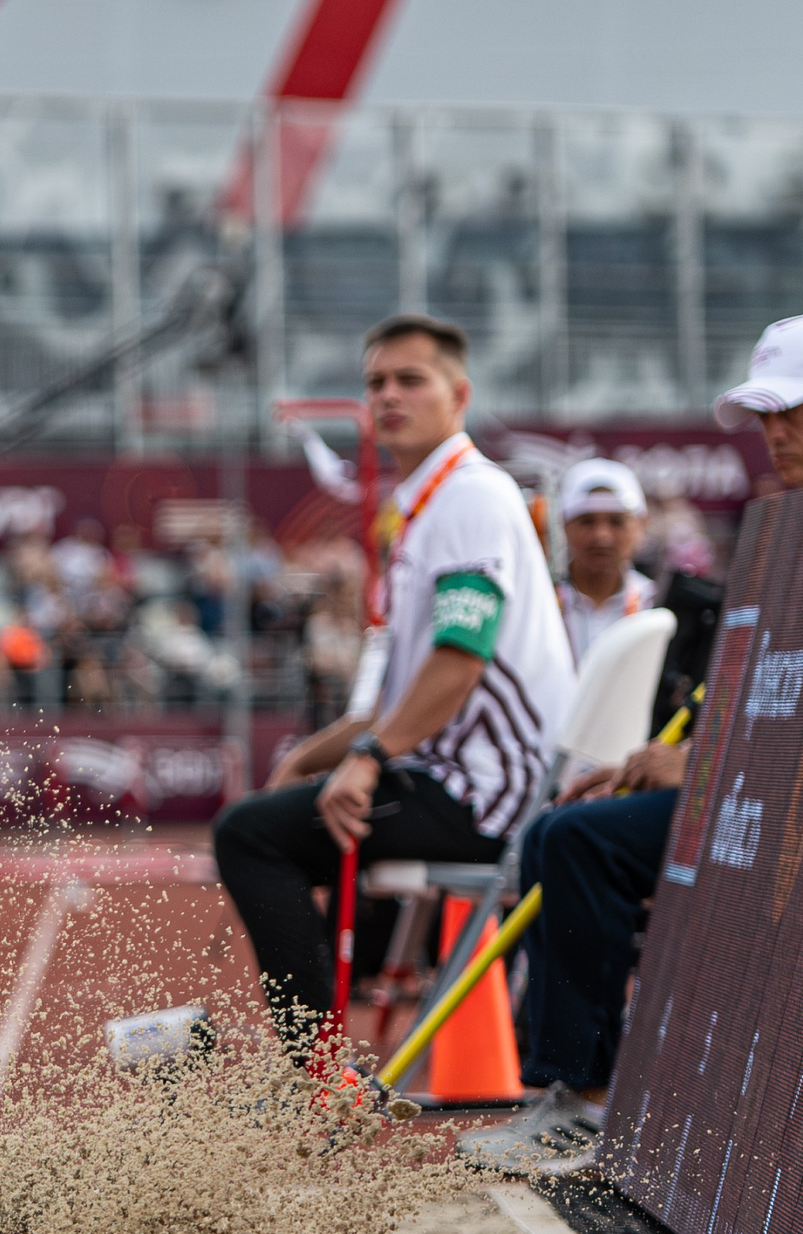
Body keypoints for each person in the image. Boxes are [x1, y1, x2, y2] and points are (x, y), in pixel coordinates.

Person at [461, 312, 803, 1173]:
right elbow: (798, 689)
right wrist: (695, 756)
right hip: (782, 789)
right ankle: (574, 1089)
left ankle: (587, 1097)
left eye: (794, 413)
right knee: (560, 829)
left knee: (580, 841)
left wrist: (702, 762)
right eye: (765, 417)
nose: (773, 435)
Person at [213, 314, 576, 1057]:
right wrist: (314, 756)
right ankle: (322, 1057)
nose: (388, 396)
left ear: (459, 395)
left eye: (411, 379)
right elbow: (401, 698)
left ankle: (315, 1076)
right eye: (376, 382)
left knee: (250, 838)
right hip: (449, 772)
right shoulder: (425, 505)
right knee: (280, 821)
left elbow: (459, 660)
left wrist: (370, 756)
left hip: (487, 790)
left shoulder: (470, 497)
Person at [553, 459, 656, 666]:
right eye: (587, 521)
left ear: (641, 524)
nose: (601, 536)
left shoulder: (654, 604)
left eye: (616, 521)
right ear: (564, 525)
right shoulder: (543, 603)